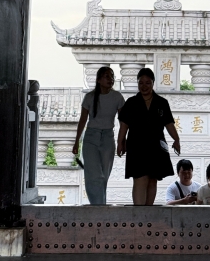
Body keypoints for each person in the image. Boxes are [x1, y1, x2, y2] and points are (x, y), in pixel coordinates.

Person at [117, 67, 181, 205]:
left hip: (156, 147)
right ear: (137, 83)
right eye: (141, 83)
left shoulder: (162, 102)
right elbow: (124, 125)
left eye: (147, 83)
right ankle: (139, 213)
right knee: (140, 178)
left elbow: (169, 124)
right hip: (136, 146)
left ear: (153, 83)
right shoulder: (131, 102)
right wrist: (120, 142)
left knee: (152, 179)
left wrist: (176, 139)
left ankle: (148, 213)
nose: (144, 86)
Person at [72, 66, 124, 205]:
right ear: (99, 80)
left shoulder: (117, 97)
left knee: (103, 176)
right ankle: (98, 207)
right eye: (107, 76)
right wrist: (77, 142)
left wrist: (122, 141)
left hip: (108, 137)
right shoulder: (89, 97)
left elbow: (123, 121)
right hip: (91, 137)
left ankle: (99, 206)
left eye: (112, 76)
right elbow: (83, 120)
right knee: (93, 175)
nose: (110, 79)